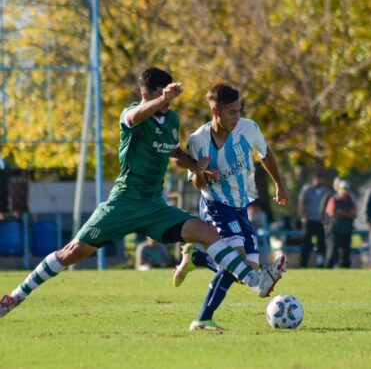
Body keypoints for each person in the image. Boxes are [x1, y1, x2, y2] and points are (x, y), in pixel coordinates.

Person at [0, 68, 286, 318]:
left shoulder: (172, 121)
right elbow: (135, 116)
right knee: (72, 253)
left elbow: (173, 151)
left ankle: (254, 279)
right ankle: (15, 296)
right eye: (160, 95)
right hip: (124, 203)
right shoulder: (132, 114)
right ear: (146, 93)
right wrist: (163, 99)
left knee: (207, 231)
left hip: (154, 206)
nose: (166, 101)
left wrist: (196, 165)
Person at [173, 83, 288, 332]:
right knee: (239, 261)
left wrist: (279, 184)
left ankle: (198, 258)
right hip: (215, 205)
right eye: (231, 112)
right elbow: (195, 182)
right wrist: (201, 172)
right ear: (216, 110)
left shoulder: (249, 128)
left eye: (239, 110)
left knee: (248, 270)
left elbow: (265, 154)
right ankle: (203, 319)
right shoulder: (198, 140)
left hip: (240, 205)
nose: (237, 117)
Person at [298, 174, 328, 267]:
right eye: (317, 179)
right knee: (306, 242)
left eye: (320, 179)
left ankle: (320, 263)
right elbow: (302, 203)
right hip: (309, 220)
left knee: (321, 243)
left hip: (320, 221)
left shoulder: (325, 191)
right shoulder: (307, 190)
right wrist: (303, 216)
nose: (319, 181)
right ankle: (304, 262)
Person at [325, 180, 356, 268]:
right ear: (339, 189)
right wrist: (347, 213)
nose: (345, 191)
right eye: (343, 189)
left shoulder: (350, 200)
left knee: (346, 254)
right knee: (332, 252)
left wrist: (341, 213)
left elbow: (354, 214)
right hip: (335, 230)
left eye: (347, 189)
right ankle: (327, 270)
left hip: (346, 230)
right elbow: (332, 212)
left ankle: (344, 271)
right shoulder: (333, 199)